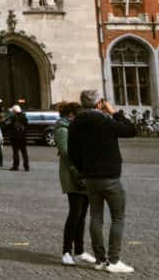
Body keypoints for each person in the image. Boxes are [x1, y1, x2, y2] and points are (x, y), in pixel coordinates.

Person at [68, 89, 137, 273]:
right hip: (110, 177)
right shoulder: (106, 120)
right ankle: (114, 261)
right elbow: (131, 130)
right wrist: (114, 112)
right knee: (118, 217)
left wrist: (83, 171)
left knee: (95, 218)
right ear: (99, 103)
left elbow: (72, 153)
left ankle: (100, 259)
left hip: (90, 178)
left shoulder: (75, 124)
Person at [55, 101, 96, 267]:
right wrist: (78, 174)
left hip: (83, 174)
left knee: (82, 214)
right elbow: (67, 153)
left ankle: (79, 250)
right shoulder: (62, 129)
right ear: (71, 115)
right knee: (75, 213)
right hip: (72, 175)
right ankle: (66, 251)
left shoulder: (75, 128)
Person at [9, 103, 30, 172]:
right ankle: (26, 166)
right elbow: (27, 126)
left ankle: (16, 166)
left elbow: (10, 127)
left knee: (16, 152)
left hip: (15, 137)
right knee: (24, 153)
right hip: (23, 137)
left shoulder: (13, 117)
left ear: (15, 110)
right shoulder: (24, 117)